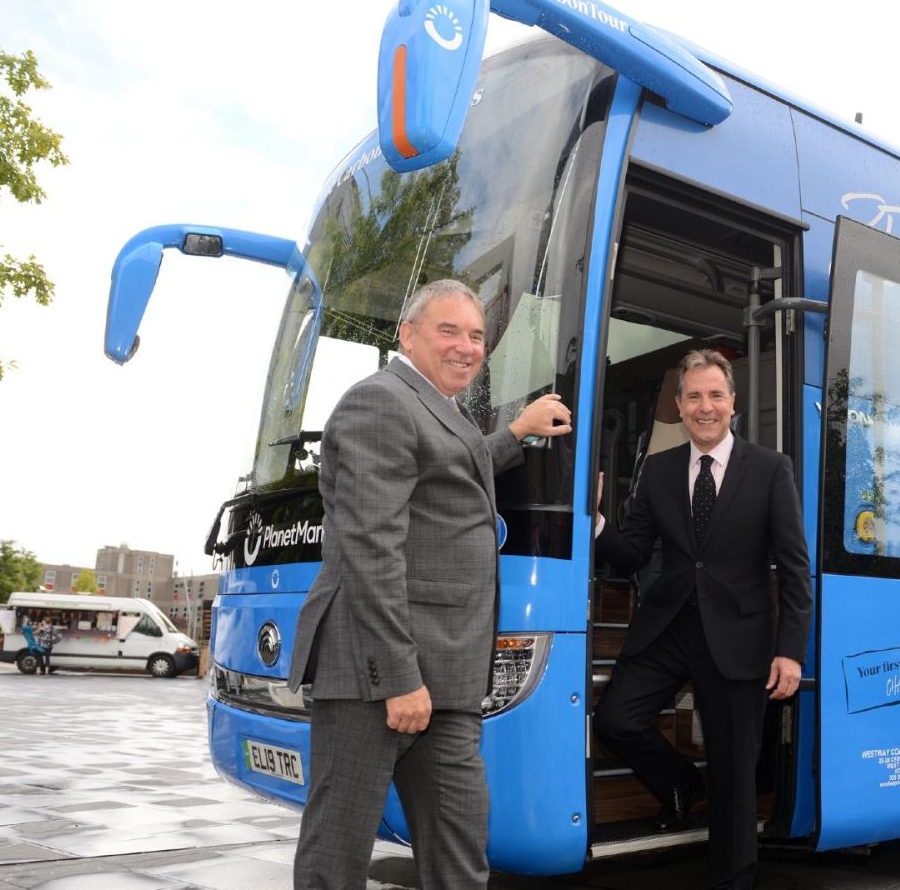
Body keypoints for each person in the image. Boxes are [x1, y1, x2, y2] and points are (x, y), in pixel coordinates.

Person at [287, 279, 572, 890]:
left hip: (445, 674)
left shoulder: (437, 408)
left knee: (459, 850)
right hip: (381, 674)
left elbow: (451, 470)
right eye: (449, 331)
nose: (467, 347)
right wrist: (399, 677)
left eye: (476, 335)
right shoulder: (379, 403)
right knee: (336, 856)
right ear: (407, 335)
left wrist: (516, 430)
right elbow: (371, 550)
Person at [593, 349, 812, 890]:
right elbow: (635, 553)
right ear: (679, 405)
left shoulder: (769, 469)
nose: (705, 406)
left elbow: (795, 566)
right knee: (616, 719)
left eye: (715, 395)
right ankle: (679, 783)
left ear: (733, 404)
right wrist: (595, 521)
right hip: (668, 627)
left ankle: (732, 881)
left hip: (740, 636)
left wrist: (790, 650)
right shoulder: (660, 470)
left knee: (735, 777)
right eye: (694, 397)